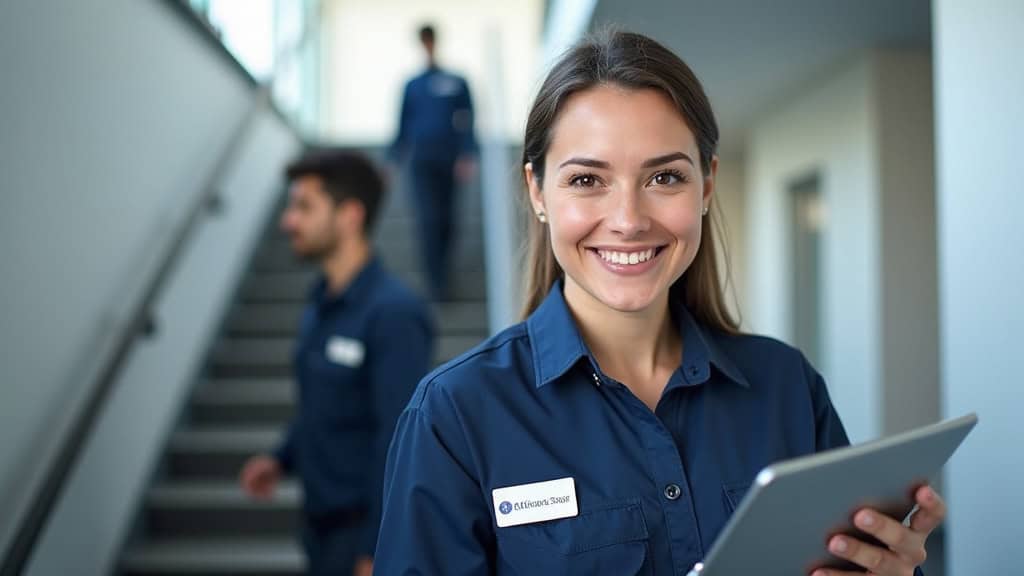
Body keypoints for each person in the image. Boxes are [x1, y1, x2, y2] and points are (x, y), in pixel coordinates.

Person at [374, 31, 943, 575]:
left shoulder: (786, 387)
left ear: (707, 186)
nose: (627, 220)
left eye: (665, 177)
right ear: (536, 191)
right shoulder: (455, 414)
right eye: (585, 181)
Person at [239, 149, 434, 576]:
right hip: (318, 526)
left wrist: (375, 550)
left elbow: (400, 439)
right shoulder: (320, 303)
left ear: (349, 215)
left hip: (360, 536)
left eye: (304, 207)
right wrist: (282, 458)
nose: (288, 221)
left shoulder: (394, 313)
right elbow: (324, 403)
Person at [390, 24, 478, 300]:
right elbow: (402, 125)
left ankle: (445, 274)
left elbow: (468, 119)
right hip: (421, 162)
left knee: (447, 220)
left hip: (449, 159)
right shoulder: (412, 85)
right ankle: (435, 283)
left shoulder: (455, 81)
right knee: (428, 219)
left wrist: (467, 153)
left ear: (434, 43)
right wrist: (391, 160)